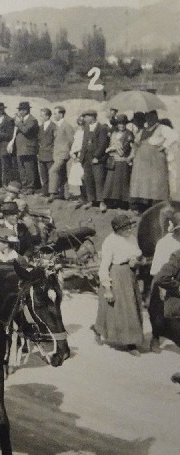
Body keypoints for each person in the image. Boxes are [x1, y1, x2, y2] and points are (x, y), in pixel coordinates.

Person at [94, 215, 144, 355]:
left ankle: (131, 338)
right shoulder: (110, 242)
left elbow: (136, 252)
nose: (129, 229)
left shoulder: (131, 237)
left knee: (132, 306)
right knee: (118, 308)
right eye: (125, 228)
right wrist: (108, 288)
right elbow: (104, 267)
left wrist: (135, 259)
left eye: (129, 226)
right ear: (117, 229)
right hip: (116, 274)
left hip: (130, 274)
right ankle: (130, 343)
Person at [78, 109, 110, 212]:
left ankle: (102, 202)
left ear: (93, 117)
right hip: (86, 158)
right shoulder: (86, 128)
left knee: (99, 179)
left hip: (97, 158)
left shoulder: (102, 128)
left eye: (87, 116)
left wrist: (97, 156)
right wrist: (81, 157)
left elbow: (103, 144)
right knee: (88, 179)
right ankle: (91, 200)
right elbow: (84, 143)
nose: (85, 119)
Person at [102, 114, 136, 211]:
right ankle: (112, 202)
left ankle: (123, 203)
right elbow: (109, 146)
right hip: (113, 160)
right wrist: (110, 149)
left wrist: (130, 157)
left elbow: (133, 148)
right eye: (119, 123)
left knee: (122, 183)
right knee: (111, 182)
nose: (121, 125)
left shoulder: (129, 134)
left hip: (122, 161)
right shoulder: (114, 133)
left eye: (123, 123)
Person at [49, 105, 75, 202]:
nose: (54, 115)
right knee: (62, 175)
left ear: (61, 114)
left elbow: (72, 140)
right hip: (57, 154)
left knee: (53, 171)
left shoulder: (67, 126)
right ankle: (66, 194)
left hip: (63, 154)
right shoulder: (57, 126)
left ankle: (52, 193)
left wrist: (68, 151)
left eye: (55, 113)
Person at [13, 102, 40, 193]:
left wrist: (19, 123)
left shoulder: (32, 120)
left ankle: (30, 187)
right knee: (22, 168)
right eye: (19, 110)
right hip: (20, 148)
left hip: (28, 148)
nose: (19, 112)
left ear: (26, 111)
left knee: (29, 168)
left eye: (21, 110)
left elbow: (26, 130)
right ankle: (24, 186)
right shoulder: (22, 120)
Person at [0, 102, 16, 188]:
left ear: (2, 110)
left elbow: (10, 135)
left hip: (5, 145)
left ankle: (6, 183)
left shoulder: (9, 120)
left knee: (5, 165)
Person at [37, 108, 56, 197]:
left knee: (51, 174)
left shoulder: (53, 126)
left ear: (47, 116)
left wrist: (53, 151)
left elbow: (55, 140)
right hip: (42, 154)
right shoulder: (40, 127)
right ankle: (45, 191)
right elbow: (39, 140)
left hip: (50, 154)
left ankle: (53, 192)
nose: (40, 117)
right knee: (43, 174)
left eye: (42, 115)